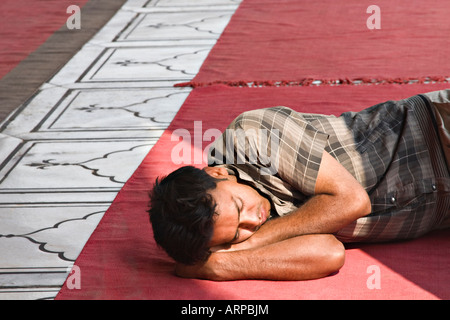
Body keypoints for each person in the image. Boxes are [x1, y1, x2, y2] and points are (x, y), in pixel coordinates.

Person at [148, 89, 450, 281]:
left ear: (216, 174)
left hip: (439, 135)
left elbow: (351, 202)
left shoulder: (252, 136)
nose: (254, 221)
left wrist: (251, 243)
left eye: (240, 206)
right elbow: (328, 253)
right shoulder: (229, 230)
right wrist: (222, 266)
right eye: (239, 231)